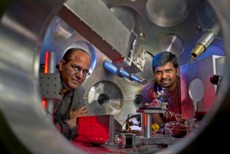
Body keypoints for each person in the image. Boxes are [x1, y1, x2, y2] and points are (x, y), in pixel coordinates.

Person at [141, 51, 189, 137]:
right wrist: (165, 128)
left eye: (168, 71)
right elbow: (156, 126)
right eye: (159, 72)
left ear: (176, 70)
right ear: (154, 73)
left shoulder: (188, 86)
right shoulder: (148, 92)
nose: (163, 76)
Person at [53, 48, 90, 139]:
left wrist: (65, 126)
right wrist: (69, 123)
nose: (80, 76)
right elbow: (39, 129)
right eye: (76, 68)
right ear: (62, 65)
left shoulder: (78, 91)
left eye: (85, 72)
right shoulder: (45, 81)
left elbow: (81, 127)